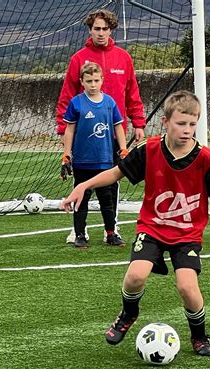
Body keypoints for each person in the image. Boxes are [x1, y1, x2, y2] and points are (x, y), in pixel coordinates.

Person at [61, 91, 210, 356]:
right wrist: (84, 186)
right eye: (181, 123)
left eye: (192, 124)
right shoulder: (149, 149)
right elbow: (115, 173)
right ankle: (128, 314)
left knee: (187, 286)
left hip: (186, 233)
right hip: (152, 227)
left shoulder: (205, 158)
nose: (187, 130)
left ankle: (199, 336)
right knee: (135, 276)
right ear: (166, 122)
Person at [56, 9, 146, 245]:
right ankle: (79, 231)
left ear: (111, 30)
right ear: (90, 30)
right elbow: (67, 96)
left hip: (115, 135)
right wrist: (61, 129)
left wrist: (138, 122)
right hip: (85, 136)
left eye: (105, 29)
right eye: (97, 28)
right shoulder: (78, 58)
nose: (101, 33)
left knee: (111, 183)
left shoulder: (123, 57)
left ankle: (111, 228)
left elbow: (132, 93)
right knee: (82, 184)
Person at [62, 62, 127, 248]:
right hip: (83, 162)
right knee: (81, 199)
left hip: (106, 162)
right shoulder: (76, 103)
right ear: (82, 81)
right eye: (88, 81)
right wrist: (66, 155)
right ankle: (80, 234)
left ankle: (111, 233)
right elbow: (69, 130)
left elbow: (119, 127)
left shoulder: (109, 103)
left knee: (108, 201)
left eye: (96, 80)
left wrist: (123, 149)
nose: (93, 84)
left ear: (102, 80)